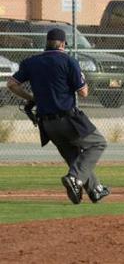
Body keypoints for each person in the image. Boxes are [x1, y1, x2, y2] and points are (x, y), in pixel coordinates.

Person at [7, 28, 110, 204]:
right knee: (98, 143)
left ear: (47, 43)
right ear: (62, 44)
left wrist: (32, 98)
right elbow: (83, 92)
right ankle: (75, 178)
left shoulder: (31, 62)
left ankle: (95, 190)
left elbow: (12, 84)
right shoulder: (69, 61)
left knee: (73, 156)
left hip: (47, 124)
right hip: (68, 118)